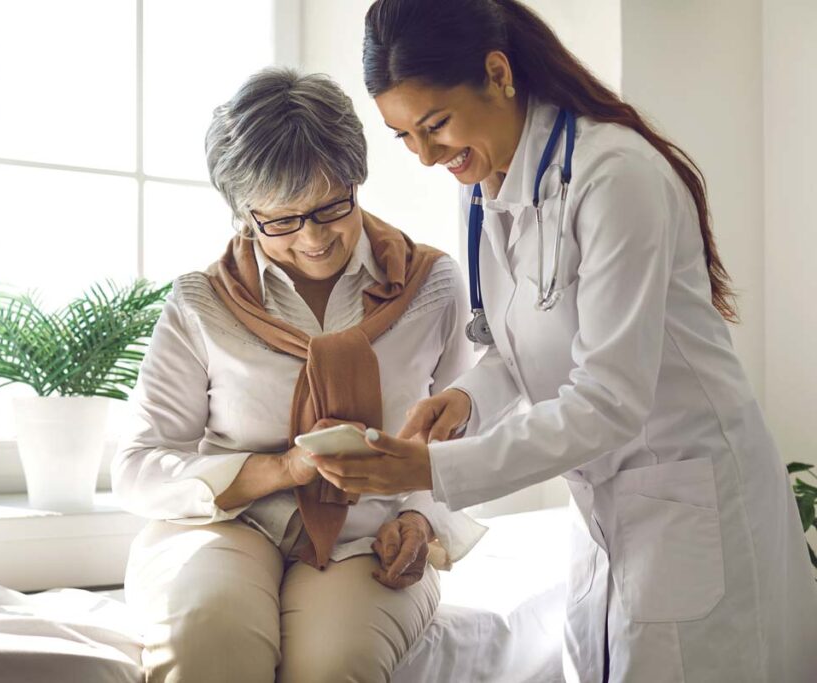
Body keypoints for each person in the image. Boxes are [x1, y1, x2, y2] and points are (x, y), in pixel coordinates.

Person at [310, 1, 817, 681]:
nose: (428, 156)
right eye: (405, 137)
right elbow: (521, 347)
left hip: (695, 499)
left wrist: (429, 471)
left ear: (498, 73)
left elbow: (608, 400)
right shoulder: (481, 183)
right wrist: (466, 399)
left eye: (435, 125)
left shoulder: (616, 177)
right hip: (607, 508)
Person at [112, 67, 484, 683]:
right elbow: (139, 466)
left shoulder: (432, 285)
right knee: (209, 637)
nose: (314, 238)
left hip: (372, 532)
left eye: (331, 207)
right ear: (243, 214)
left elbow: (464, 436)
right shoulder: (201, 302)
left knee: (335, 665)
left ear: (356, 181)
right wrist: (281, 471)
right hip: (227, 523)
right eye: (282, 220)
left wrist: (421, 519)